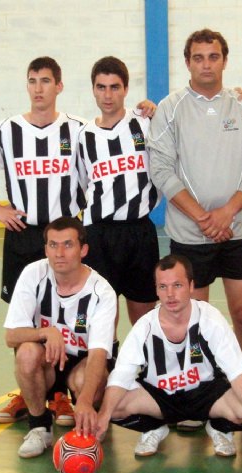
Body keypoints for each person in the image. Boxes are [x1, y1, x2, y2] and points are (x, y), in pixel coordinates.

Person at [0, 56, 83, 426]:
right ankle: (30, 393)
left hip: (64, 235)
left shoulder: (77, 130)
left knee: (66, 315)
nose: (38, 88)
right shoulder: (6, 130)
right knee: (23, 317)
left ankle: (60, 395)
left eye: (45, 80)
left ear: (59, 86)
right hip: (23, 235)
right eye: (32, 81)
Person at [148, 28, 242, 356]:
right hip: (191, 235)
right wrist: (204, 219)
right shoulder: (170, 108)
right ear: (187, 62)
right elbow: (161, 171)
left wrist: (226, 213)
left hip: (237, 230)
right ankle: (203, 379)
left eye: (213, 57)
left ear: (224, 61)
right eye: (198, 58)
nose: (206, 64)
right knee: (196, 319)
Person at [95, 254, 242, 457]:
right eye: (163, 287)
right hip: (159, 396)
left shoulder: (210, 319)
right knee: (109, 406)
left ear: (191, 286)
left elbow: (236, 370)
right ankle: (153, 427)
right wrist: (104, 414)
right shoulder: (145, 326)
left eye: (177, 285)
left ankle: (219, 427)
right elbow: (121, 374)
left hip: (205, 394)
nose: (170, 294)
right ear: (156, 290)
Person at [4, 217, 117, 458]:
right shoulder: (33, 274)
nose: (59, 253)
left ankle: (87, 418)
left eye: (68, 244)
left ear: (83, 250)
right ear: (45, 249)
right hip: (49, 359)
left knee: (87, 382)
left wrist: (85, 401)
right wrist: (45, 332)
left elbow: (98, 354)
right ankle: (39, 427)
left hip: (83, 362)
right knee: (26, 352)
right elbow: (11, 336)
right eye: (53, 245)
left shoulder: (102, 291)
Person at [77, 56, 159, 327]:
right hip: (99, 235)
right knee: (103, 318)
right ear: (93, 89)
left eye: (115, 87)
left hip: (139, 231)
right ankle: (106, 357)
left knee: (144, 317)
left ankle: (145, 356)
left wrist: (156, 112)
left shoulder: (145, 123)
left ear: (126, 89)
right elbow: (82, 183)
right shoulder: (84, 136)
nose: (108, 95)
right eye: (101, 87)